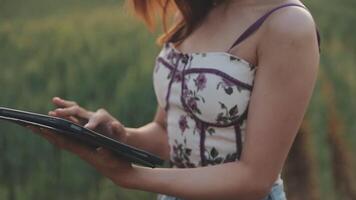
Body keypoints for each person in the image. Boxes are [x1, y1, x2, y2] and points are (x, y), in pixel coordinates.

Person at [29, 0, 321, 199]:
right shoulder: (197, 10)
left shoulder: (287, 24)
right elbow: (168, 133)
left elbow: (255, 179)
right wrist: (119, 135)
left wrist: (131, 177)